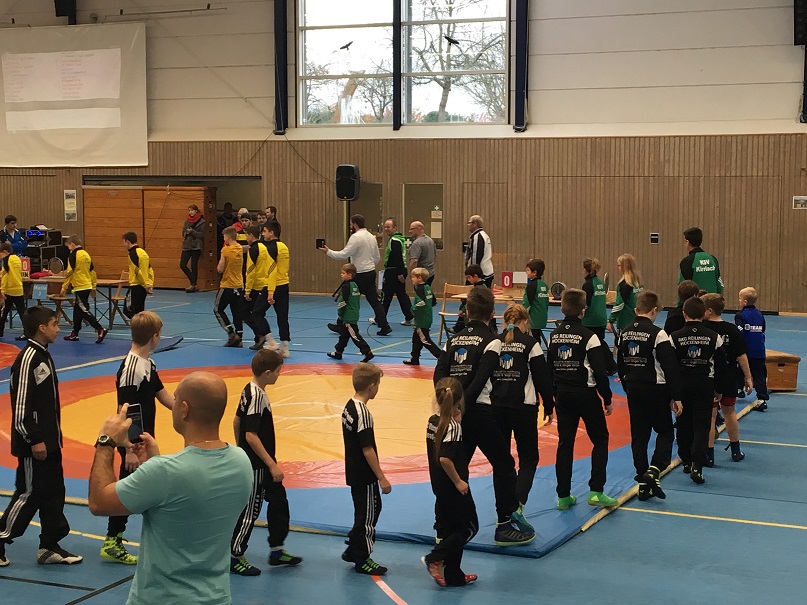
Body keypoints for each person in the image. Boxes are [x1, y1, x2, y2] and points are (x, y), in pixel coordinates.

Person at [88, 372, 253, 605]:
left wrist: (106, 441)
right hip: (216, 598)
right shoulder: (241, 462)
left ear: (184, 409)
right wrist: (154, 462)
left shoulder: (164, 472)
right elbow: (190, 496)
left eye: (175, 400)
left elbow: (99, 502)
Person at [434, 286, 534, 546]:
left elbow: (439, 376)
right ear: (491, 314)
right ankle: (504, 525)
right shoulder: (492, 340)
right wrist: (462, 406)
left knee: (455, 467)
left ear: (467, 312)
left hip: (453, 414)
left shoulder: (453, 340)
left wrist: (450, 406)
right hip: (478, 412)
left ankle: (444, 527)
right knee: (504, 465)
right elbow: (481, 379)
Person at [0, 306, 82, 567]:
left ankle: (49, 545)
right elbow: (20, 407)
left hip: (50, 442)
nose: (58, 329)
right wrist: (34, 438)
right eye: (55, 324)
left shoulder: (43, 354)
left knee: (54, 492)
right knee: (29, 494)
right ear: (41, 328)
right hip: (34, 445)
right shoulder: (28, 359)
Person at [100, 310, 175, 565]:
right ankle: (112, 540)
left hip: (143, 441)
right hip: (134, 443)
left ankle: (126, 538)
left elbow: (161, 393)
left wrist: (186, 410)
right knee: (129, 490)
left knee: (146, 489)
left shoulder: (147, 364)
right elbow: (125, 410)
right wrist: (130, 449)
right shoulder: (132, 368)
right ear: (154, 336)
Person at [230, 350, 301, 576]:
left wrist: (240, 449)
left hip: (257, 460)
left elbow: (236, 421)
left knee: (279, 501)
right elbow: (250, 435)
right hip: (258, 465)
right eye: (278, 372)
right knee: (251, 509)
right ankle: (234, 555)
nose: (280, 375)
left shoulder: (249, 389)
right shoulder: (257, 396)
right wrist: (270, 464)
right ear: (268, 373)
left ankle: (277, 549)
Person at [548, 288, 618, 509]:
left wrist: (553, 395)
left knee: (565, 443)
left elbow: (549, 368)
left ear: (562, 308)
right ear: (583, 310)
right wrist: (607, 398)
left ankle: (563, 496)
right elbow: (600, 372)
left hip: (562, 394)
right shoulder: (590, 337)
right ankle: (596, 491)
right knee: (600, 439)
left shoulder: (554, 335)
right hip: (585, 394)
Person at [616, 291, 683, 501]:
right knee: (665, 432)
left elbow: (620, 364)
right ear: (654, 311)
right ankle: (654, 470)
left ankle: (643, 479)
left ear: (636, 310)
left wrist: (627, 386)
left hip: (634, 388)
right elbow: (670, 367)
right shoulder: (659, 334)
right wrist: (676, 396)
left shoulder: (625, 332)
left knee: (640, 435)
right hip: (656, 389)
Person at [491, 304, 554, 518]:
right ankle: (517, 503)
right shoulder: (530, 343)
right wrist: (549, 405)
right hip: (523, 408)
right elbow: (542, 377)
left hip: (497, 406)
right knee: (528, 459)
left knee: (501, 460)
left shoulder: (495, 342)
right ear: (525, 321)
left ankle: (503, 508)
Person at [423, 378, 478, 587]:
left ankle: (454, 574)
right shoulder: (452, 427)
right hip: (452, 484)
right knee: (469, 527)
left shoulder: (433, 420)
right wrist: (458, 481)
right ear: (459, 400)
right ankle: (435, 557)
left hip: (438, 483)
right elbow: (445, 458)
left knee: (452, 527)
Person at [670, 297, 728, 485]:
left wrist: (673, 393)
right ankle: (697, 465)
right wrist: (719, 388)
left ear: (684, 314)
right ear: (704, 314)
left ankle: (686, 460)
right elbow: (721, 365)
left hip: (682, 385)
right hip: (704, 384)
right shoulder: (714, 337)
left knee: (683, 422)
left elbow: (670, 366)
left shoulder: (674, 337)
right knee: (702, 425)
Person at [341, 363, 391, 575]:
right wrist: (381, 477)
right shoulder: (363, 413)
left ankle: (353, 548)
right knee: (369, 514)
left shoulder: (349, 406)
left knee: (362, 511)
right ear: (371, 386)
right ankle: (363, 557)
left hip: (353, 470)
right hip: (364, 473)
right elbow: (367, 448)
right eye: (378, 384)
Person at [702, 293, 753, 464]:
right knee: (730, 412)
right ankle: (736, 450)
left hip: (709, 377)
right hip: (729, 377)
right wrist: (748, 377)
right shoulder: (731, 330)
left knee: (710, 415)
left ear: (709, 310)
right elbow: (741, 355)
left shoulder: (702, 329)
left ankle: (709, 454)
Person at [321, 214, 391, 336]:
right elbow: (377, 257)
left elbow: (344, 254)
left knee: (347, 297)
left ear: (355, 224)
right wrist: (369, 266)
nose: (350, 226)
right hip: (370, 272)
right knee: (374, 300)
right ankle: (384, 325)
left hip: (358, 274)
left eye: (351, 224)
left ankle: (341, 325)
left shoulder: (355, 237)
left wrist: (329, 252)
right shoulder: (371, 237)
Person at [60, 235, 107, 344]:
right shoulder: (86, 254)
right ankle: (75, 333)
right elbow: (92, 272)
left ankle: (99, 328)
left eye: (68, 246)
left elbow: (70, 272)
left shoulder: (73, 255)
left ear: (72, 244)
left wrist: (64, 287)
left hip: (80, 286)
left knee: (83, 310)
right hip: (87, 285)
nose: (68, 248)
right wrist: (93, 286)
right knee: (77, 310)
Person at [327, 263, 374, 363]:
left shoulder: (346, 287)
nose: (341, 275)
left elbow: (343, 302)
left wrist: (340, 314)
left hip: (348, 316)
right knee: (344, 335)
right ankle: (338, 352)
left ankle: (367, 352)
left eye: (343, 273)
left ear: (349, 275)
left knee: (354, 335)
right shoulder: (355, 285)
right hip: (354, 312)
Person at [735, 287, 769, 411]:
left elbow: (739, 332)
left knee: (739, 368)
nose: (739, 301)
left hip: (745, 350)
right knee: (759, 374)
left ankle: (739, 389)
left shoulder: (740, 315)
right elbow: (763, 329)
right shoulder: (760, 314)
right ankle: (762, 399)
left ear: (744, 302)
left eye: (740, 299)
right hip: (759, 351)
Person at [262, 221, 291, 358]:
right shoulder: (284, 246)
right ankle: (285, 346)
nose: (263, 234)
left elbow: (272, 270)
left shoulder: (270, 248)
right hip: (284, 284)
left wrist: (270, 291)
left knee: (256, 313)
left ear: (271, 232)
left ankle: (270, 340)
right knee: (282, 316)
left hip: (273, 284)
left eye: (265, 231)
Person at [243, 226, 273, 351]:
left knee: (245, 312)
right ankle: (259, 337)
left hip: (256, 286)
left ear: (251, 235)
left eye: (247, 235)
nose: (246, 238)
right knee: (258, 313)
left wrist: (247, 290)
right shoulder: (264, 247)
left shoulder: (253, 249)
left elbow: (250, 271)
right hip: (265, 283)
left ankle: (261, 334)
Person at [403, 267, 441, 365]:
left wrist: (413, 309)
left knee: (425, 340)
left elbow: (422, 302)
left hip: (421, 319)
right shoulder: (427, 287)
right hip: (426, 317)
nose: (411, 279)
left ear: (419, 278)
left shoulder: (419, 289)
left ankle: (441, 357)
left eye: (413, 277)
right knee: (416, 339)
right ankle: (414, 358)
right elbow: (433, 301)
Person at [215, 226, 245, 347]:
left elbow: (220, 268)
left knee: (218, 309)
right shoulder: (239, 248)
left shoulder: (225, 250)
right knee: (237, 312)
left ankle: (231, 333)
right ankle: (239, 338)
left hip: (227, 285)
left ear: (227, 237)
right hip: (239, 285)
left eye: (224, 236)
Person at [381, 218, 413, 326]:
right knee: (398, 295)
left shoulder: (395, 241)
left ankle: (380, 317)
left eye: (388, 227)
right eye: (385, 227)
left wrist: (400, 273)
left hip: (394, 271)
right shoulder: (397, 239)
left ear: (395, 228)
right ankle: (409, 317)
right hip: (396, 270)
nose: (386, 229)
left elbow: (397, 256)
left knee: (387, 295)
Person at [679, 227, 723, 295]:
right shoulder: (713, 259)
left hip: (695, 300)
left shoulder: (686, 262)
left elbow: (683, 288)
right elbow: (719, 285)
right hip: (712, 300)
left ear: (687, 242)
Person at [122, 232, 154, 318]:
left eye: (124, 242)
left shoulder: (132, 254)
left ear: (128, 241)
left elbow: (137, 272)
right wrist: (149, 284)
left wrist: (145, 285)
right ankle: (141, 324)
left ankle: (138, 324)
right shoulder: (143, 252)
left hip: (136, 285)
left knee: (128, 310)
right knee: (140, 311)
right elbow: (150, 270)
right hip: (143, 287)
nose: (124, 245)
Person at [0, 242, 27, 340]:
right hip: (19, 289)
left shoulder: (6, 260)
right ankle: (27, 333)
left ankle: (0, 331)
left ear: (5, 252)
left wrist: (2, 290)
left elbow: (6, 276)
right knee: (22, 313)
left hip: (9, 291)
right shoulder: (17, 258)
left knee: (3, 313)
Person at [453, 264, 486, 334]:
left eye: (469, 277)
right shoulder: (483, 286)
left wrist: (462, 310)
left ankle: (460, 328)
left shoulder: (477, 289)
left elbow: (471, 302)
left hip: (478, 313)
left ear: (475, 276)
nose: (468, 280)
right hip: (480, 311)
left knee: (466, 310)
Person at [180, 204, 206, 293]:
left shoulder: (202, 222)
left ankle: (193, 284)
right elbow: (183, 233)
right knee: (182, 265)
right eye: (189, 210)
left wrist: (192, 232)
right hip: (187, 245)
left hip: (196, 246)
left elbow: (202, 235)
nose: (190, 212)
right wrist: (186, 233)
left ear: (196, 211)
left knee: (194, 266)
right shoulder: (187, 221)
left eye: (192, 210)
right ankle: (193, 281)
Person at [523, 258, 549, 343]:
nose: (526, 272)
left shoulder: (531, 286)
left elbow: (527, 303)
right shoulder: (544, 285)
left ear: (534, 272)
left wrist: (522, 316)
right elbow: (546, 302)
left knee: (532, 340)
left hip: (533, 320)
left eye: (528, 270)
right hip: (542, 317)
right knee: (537, 337)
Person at [464, 215, 493, 287]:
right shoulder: (484, 235)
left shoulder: (478, 236)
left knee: (475, 293)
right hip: (487, 271)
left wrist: (472, 275)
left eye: (469, 223)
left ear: (475, 224)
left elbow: (476, 257)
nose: (468, 225)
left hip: (481, 274)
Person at [407, 221, 436, 286]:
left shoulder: (417, 243)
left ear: (419, 228)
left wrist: (412, 274)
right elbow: (434, 255)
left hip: (420, 276)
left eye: (412, 229)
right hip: (430, 273)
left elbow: (414, 260)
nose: (410, 231)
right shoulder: (430, 240)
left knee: (421, 292)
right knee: (427, 291)